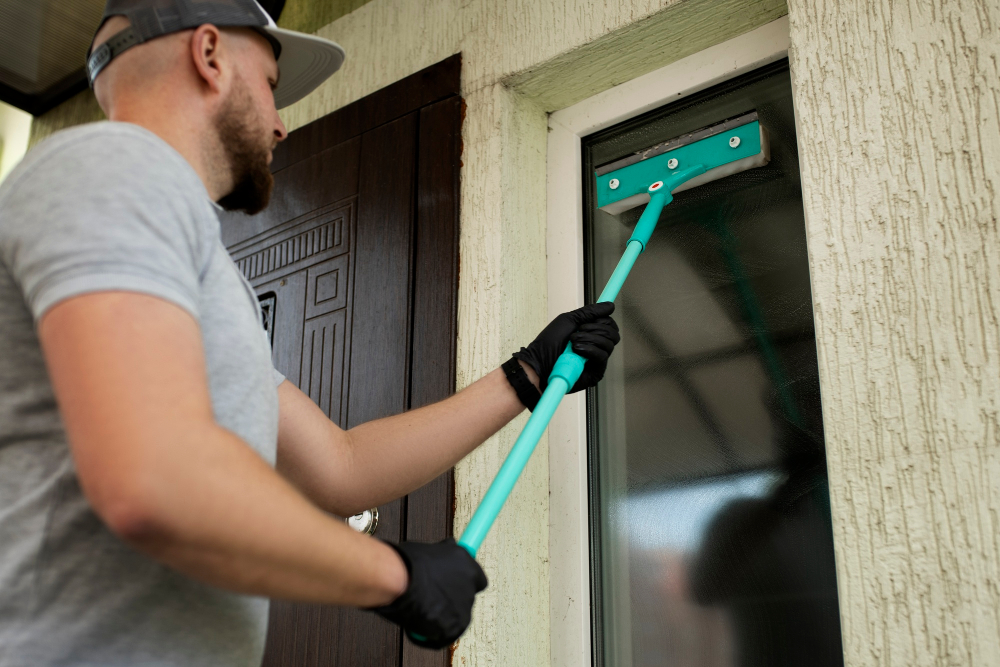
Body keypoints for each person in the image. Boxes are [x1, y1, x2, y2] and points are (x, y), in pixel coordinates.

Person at [0, 1, 620, 665]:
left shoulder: (201, 272)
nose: (280, 124)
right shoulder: (114, 167)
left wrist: (525, 374)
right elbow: (152, 480)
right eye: (270, 85)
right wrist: (396, 576)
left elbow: (339, 467)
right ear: (208, 56)